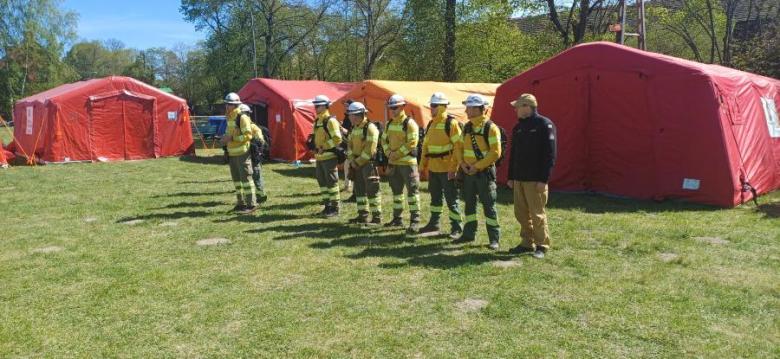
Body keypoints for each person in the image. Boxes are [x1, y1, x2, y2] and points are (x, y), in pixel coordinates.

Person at [507, 94, 557, 259]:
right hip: (519, 178)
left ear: (527, 107)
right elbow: (513, 154)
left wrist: (544, 179)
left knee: (537, 214)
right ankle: (527, 242)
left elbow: (550, 155)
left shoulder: (544, 124)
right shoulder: (518, 127)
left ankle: (542, 245)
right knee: (521, 213)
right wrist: (511, 177)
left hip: (535, 180)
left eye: (518, 106)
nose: (515, 109)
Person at [452, 94, 501, 250]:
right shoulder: (467, 127)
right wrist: (462, 163)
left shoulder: (490, 127)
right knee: (469, 204)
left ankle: (494, 239)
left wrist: (477, 166)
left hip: (484, 174)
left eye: (468, 107)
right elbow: (459, 147)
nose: (466, 110)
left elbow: (495, 152)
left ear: (476, 109)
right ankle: (468, 234)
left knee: (489, 206)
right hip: (468, 173)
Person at [418, 92, 463, 239]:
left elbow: (458, 148)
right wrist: (422, 167)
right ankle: (434, 224)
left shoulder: (452, 124)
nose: (431, 108)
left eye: (433, 105)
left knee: (452, 199)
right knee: (435, 199)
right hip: (433, 169)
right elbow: (425, 147)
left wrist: (453, 169)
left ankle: (456, 227)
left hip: (447, 169)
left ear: (442, 107)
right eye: (431, 105)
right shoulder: (431, 124)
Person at [380, 94, 421, 234]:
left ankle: (415, 220)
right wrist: (387, 152)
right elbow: (383, 140)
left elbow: (412, 143)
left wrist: (395, 154)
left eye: (395, 108)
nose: (392, 110)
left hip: (408, 163)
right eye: (391, 108)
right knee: (396, 193)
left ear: (403, 107)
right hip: (394, 163)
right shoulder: (389, 124)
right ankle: (397, 218)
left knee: (412, 192)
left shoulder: (410, 123)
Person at [345, 102, 382, 225]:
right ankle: (362, 216)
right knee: (359, 191)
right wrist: (352, 160)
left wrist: (358, 162)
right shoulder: (354, 128)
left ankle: (376, 218)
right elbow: (349, 145)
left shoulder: (370, 128)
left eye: (350, 114)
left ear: (357, 115)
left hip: (368, 164)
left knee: (372, 190)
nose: (348, 117)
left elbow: (370, 149)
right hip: (356, 164)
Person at [221, 93, 256, 214]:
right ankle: (241, 203)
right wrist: (225, 138)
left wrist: (231, 138)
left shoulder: (242, 117)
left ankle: (251, 204)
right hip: (232, 153)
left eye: (229, 104)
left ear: (235, 105)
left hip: (242, 153)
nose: (226, 106)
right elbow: (230, 133)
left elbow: (248, 136)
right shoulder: (229, 118)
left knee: (246, 180)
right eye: (226, 104)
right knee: (237, 181)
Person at [311, 95, 343, 218]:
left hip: (329, 158)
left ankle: (335, 208)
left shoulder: (330, 121)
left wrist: (323, 146)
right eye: (315, 105)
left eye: (317, 105)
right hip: (319, 158)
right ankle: (327, 206)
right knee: (323, 184)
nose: (315, 108)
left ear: (325, 106)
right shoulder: (317, 121)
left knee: (332, 184)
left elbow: (337, 139)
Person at [238, 104, 268, 204]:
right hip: (243, 155)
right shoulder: (239, 127)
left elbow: (260, 142)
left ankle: (261, 195)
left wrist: (255, 147)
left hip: (253, 156)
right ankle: (251, 196)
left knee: (256, 175)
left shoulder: (253, 127)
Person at [341, 99, 356, 202]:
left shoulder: (354, 118)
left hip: (355, 146)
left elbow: (350, 133)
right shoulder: (347, 117)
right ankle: (347, 185)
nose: (344, 107)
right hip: (349, 146)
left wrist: (341, 129)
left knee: (351, 165)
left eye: (346, 105)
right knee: (347, 164)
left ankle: (352, 187)